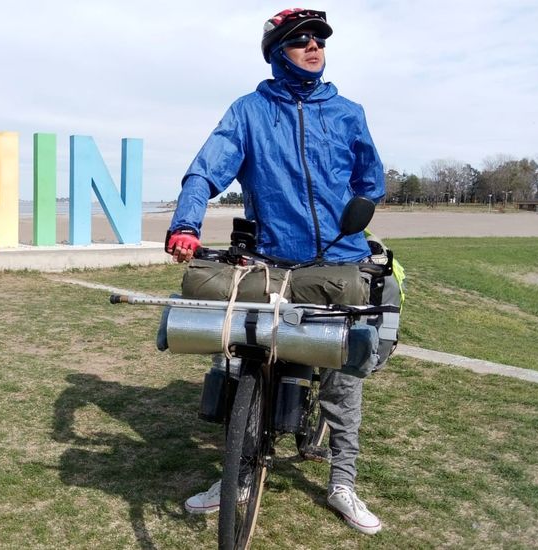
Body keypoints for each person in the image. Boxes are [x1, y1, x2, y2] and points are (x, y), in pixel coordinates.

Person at [165, 8, 385, 535]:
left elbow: (370, 180)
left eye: (320, 40)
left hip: (337, 259)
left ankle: (343, 481)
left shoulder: (348, 112)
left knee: (340, 373)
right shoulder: (248, 111)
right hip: (271, 258)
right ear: (277, 54)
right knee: (243, 357)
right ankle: (237, 471)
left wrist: (353, 214)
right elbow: (206, 167)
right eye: (299, 41)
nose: (314, 47)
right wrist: (185, 224)